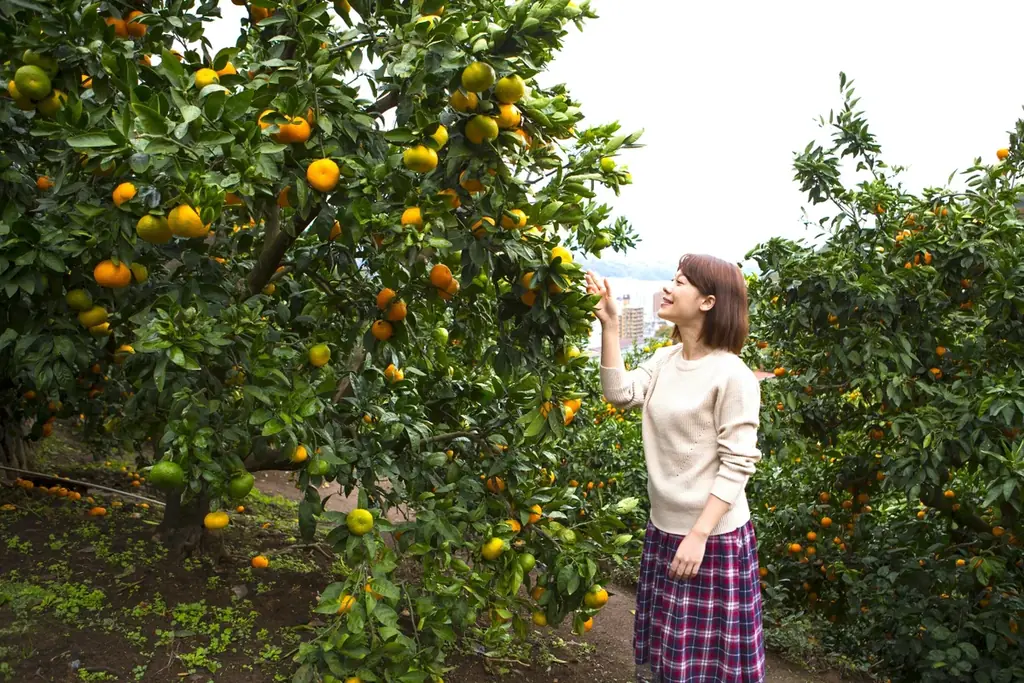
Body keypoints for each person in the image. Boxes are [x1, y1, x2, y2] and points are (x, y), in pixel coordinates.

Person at [586, 254, 766, 683]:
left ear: (707, 301)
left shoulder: (732, 374)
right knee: (673, 659)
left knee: (710, 667)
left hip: (712, 538)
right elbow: (620, 393)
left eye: (680, 282)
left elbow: (738, 463)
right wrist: (610, 325)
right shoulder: (665, 359)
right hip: (664, 529)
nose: (668, 287)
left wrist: (699, 535)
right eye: (671, 278)